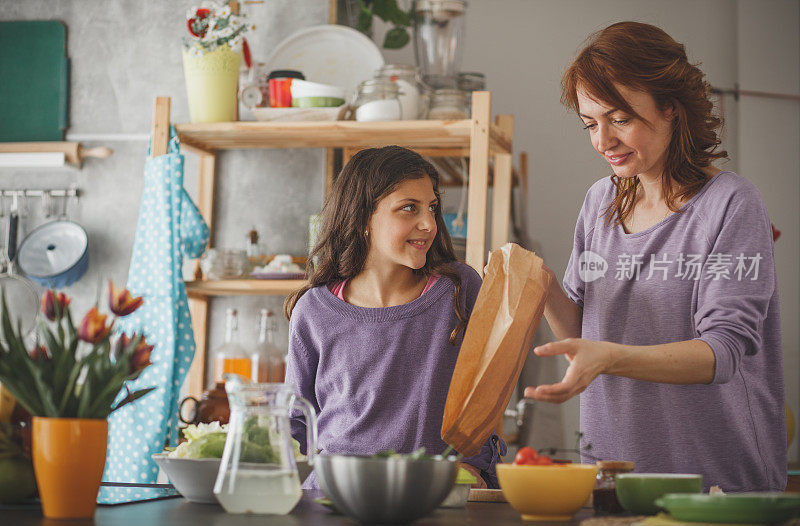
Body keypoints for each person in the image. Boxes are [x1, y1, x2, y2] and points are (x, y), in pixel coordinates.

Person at [526, 21, 786, 492]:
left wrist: (609, 358)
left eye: (619, 119)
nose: (602, 142)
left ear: (672, 109)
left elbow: (721, 354)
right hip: (611, 476)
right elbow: (585, 334)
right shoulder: (598, 203)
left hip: (714, 482)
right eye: (590, 124)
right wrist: (540, 284)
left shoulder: (731, 205)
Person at [284, 145, 505, 489]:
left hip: (437, 496)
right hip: (335, 497)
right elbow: (297, 421)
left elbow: (487, 395)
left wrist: (473, 465)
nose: (428, 224)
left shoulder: (459, 291)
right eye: (408, 209)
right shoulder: (313, 310)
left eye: (432, 208)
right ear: (362, 219)